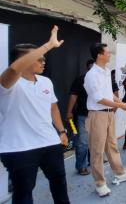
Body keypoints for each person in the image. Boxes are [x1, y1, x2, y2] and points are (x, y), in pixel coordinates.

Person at [0, 26, 70, 204]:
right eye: (38, 58)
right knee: (23, 194)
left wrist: (61, 132)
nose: (43, 61)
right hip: (19, 148)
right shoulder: (7, 84)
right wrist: (48, 45)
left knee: (60, 183)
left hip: (49, 142)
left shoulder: (45, 81)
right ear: (22, 60)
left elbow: (53, 108)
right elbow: (14, 70)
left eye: (44, 58)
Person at [84, 43, 126, 197]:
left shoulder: (107, 71)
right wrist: (120, 106)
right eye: (107, 52)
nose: (110, 54)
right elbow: (99, 99)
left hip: (109, 114)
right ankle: (100, 183)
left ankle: (120, 172)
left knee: (112, 145)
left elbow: (108, 94)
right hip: (97, 115)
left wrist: (120, 103)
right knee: (97, 151)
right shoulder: (91, 75)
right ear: (99, 55)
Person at [66, 59, 94, 176]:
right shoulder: (81, 80)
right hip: (83, 115)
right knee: (83, 142)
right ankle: (81, 166)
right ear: (88, 68)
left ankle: (93, 162)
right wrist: (69, 112)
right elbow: (73, 96)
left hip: (98, 115)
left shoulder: (103, 80)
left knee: (95, 142)